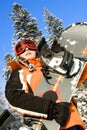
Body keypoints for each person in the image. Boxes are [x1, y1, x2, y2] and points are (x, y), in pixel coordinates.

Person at [5, 38, 85, 130]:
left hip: (73, 121)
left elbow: (76, 78)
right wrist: (51, 109)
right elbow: (15, 98)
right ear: (18, 54)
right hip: (48, 124)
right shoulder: (19, 72)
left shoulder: (51, 65)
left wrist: (68, 59)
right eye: (20, 48)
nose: (26, 49)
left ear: (35, 48)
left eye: (29, 45)